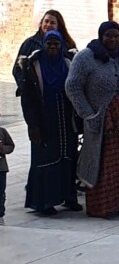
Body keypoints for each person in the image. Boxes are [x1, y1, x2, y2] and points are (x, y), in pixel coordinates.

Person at [65, 21, 119, 219]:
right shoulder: (86, 57)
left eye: (116, 36)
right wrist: (88, 114)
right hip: (99, 121)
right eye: (109, 35)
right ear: (101, 36)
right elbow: (72, 86)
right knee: (102, 164)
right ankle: (104, 206)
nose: (113, 39)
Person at [19, 30, 81, 216]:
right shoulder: (33, 66)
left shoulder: (68, 63)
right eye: (49, 44)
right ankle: (44, 202)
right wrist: (33, 126)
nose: (53, 47)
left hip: (66, 120)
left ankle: (68, 197)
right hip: (44, 121)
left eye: (56, 44)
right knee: (46, 159)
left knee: (68, 158)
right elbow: (27, 99)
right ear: (43, 45)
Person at [0, 123, 12, 225]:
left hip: (1, 168)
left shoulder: (2, 131)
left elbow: (11, 146)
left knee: (0, 192)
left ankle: (0, 214)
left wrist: (2, 149)